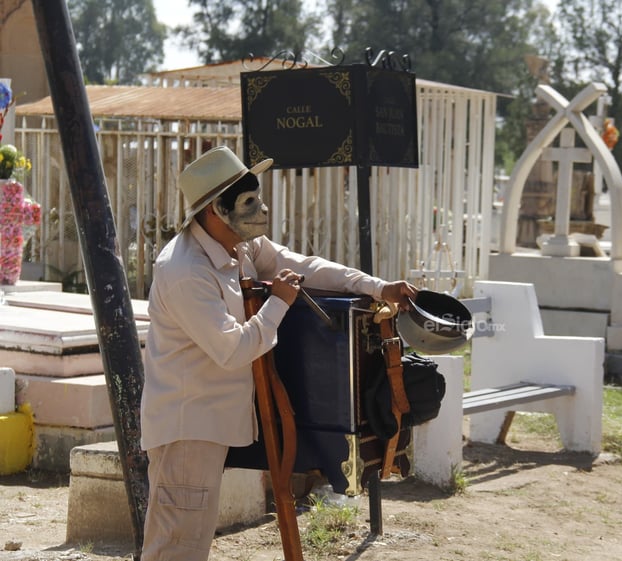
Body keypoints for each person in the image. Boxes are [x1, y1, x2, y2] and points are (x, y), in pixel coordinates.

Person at [139, 146, 417, 561]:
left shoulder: (240, 245)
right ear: (217, 209)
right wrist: (279, 302)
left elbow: (300, 264)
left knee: (187, 542)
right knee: (177, 546)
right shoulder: (184, 270)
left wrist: (376, 288)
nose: (263, 208)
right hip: (188, 425)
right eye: (250, 202)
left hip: (217, 418)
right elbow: (233, 349)